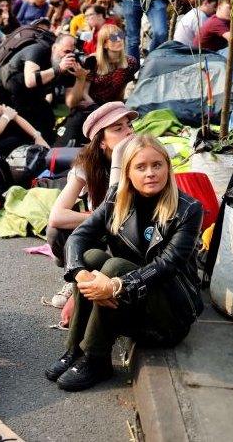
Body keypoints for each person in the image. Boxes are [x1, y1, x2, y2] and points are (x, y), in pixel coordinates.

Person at [52, 134, 203, 391]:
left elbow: (167, 264)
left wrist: (116, 285)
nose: (150, 173)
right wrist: (79, 273)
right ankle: (75, 350)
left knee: (112, 268)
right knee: (90, 259)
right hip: (131, 300)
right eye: (141, 167)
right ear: (128, 173)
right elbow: (79, 236)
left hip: (169, 315)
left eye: (157, 165)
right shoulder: (116, 198)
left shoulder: (188, 209)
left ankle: (97, 359)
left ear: (168, 167)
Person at [43, 102, 137, 316]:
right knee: (55, 232)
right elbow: (57, 216)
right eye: (118, 128)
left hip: (131, 237)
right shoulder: (88, 165)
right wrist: (98, 217)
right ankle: (74, 274)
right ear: (101, 142)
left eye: (129, 125)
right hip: (102, 234)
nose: (129, 132)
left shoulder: (141, 158)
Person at [0, 32, 83, 144]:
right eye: (65, 52)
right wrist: (59, 68)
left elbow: (70, 102)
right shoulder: (38, 50)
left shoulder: (70, 63)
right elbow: (30, 81)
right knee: (20, 134)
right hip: (5, 92)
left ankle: (48, 153)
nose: (68, 56)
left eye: (72, 53)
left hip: (31, 97)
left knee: (48, 122)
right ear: (54, 47)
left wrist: (81, 78)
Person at [68, 24, 139, 108]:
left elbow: (124, 89)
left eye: (121, 35)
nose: (119, 40)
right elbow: (84, 92)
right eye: (114, 38)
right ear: (104, 44)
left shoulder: (130, 62)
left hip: (115, 105)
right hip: (92, 104)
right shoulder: (93, 61)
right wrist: (97, 108)